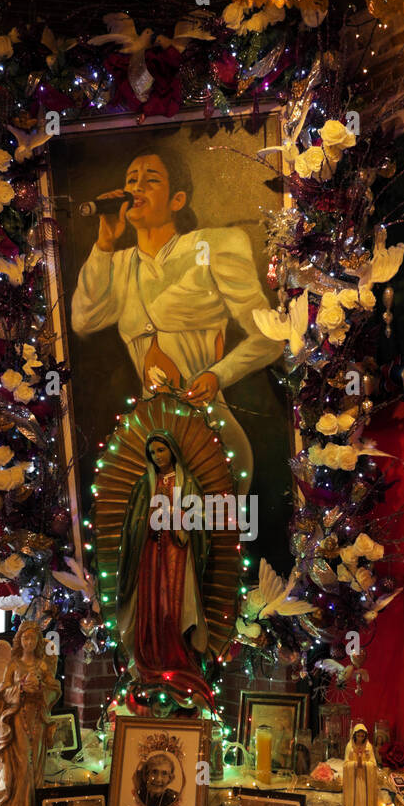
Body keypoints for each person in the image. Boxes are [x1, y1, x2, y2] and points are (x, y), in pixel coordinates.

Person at [71, 147, 281, 487]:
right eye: (131, 180)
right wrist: (106, 241)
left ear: (177, 199)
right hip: (149, 446)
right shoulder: (118, 265)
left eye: (150, 181)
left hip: (210, 439)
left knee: (214, 537)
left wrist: (217, 375)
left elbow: (269, 336)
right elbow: (83, 320)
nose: (136, 188)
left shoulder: (214, 246)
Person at [117, 431, 212, 707]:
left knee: (172, 608)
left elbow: (200, 523)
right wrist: (147, 520)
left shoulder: (188, 483)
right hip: (149, 557)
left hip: (177, 555)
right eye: (153, 452)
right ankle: (151, 662)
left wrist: (179, 520)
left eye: (162, 450)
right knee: (152, 608)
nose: (158, 456)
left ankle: (176, 660)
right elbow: (131, 525)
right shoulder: (144, 485)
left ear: (172, 450)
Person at [0, 623, 62, 806]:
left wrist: (40, 689)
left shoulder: (43, 665)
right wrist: (20, 689)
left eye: (32, 638)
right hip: (19, 718)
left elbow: (55, 689)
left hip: (37, 718)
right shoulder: (14, 665)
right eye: (25, 638)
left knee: (36, 763)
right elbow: (2, 692)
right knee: (23, 762)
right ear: (20, 640)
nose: (29, 642)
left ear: (38, 641)